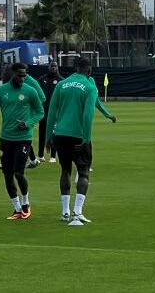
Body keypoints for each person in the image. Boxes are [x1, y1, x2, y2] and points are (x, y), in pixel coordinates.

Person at [0, 62, 43, 220]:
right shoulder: (1, 91)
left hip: (24, 139)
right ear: (12, 74)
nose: (22, 78)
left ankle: (26, 202)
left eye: (24, 76)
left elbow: (40, 112)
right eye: (19, 75)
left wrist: (28, 123)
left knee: (19, 173)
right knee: (7, 175)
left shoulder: (30, 91)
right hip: (6, 138)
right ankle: (17, 208)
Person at [46, 57, 97, 226]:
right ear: (89, 70)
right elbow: (88, 115)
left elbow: (52, 111)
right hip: (78, 135)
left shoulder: (61, 85)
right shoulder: (90, 87)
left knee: (65, 171)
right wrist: (86, 138)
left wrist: (48, 136)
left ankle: (65, 212)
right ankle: (78, 212)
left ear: (76, 69)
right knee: (83, 172)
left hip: (60, 134)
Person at [39, 62, 64, 162]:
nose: (53, 68)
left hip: (55, 111)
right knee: (42, 133)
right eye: (52, 66)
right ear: (48, 67)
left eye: (55, 66)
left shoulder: (61, 81)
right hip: (43, 111)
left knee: (54, 133)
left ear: (57, 68)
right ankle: (40, 155)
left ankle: (53, 156)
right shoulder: (42, 79)